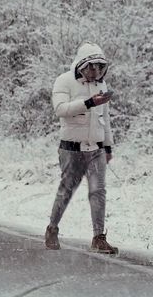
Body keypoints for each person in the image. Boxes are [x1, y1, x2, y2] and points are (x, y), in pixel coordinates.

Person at [44, 42, 118, 255]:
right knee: (66, 189)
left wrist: (108, 146)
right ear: (81, 65)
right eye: (91, 66)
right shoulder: (64, 81)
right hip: (71, 149)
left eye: (99, 67)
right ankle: (52, 228)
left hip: (96, 149)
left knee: (98, 191)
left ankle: (99, 237)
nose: (95, 71)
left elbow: (106, 119)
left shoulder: (101, 87)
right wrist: (88, 103)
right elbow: (60, 109)